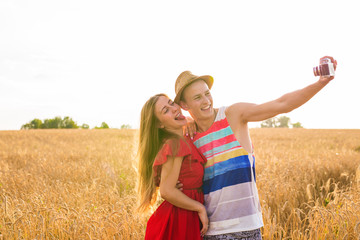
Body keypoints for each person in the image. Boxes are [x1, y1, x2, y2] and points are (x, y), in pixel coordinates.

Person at [174, 56, 337, 240]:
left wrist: (320, 83)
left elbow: (282, 104)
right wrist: (177, 184)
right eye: (197, 97)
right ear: (184, 105)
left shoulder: (233, 115)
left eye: (207, 93)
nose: (206, 101)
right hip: (209, 231)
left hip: (247, 229)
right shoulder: (188, 136)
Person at [137, 93, 209, 239]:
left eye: (171, 103)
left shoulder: (181, 138)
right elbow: (167, 191)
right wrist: (200, 208)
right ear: (159, 124)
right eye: (166, 110)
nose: (175, 108)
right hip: (179, 220)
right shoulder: (175, 143)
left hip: (184, 214)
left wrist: (189, 119)